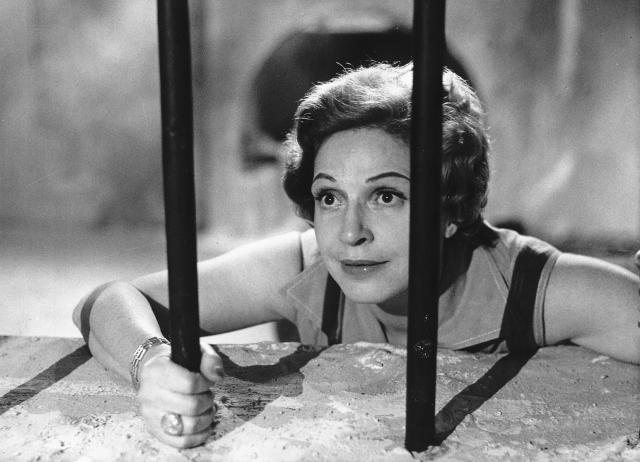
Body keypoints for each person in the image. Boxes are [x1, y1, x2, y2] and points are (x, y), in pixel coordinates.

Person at [73, 63, 640, 448]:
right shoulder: (308, 268)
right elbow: (105, 301)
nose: (349, 233)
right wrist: (151, 364)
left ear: (451, 208)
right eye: (329, 197)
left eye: (386, 196)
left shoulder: (530, 283)